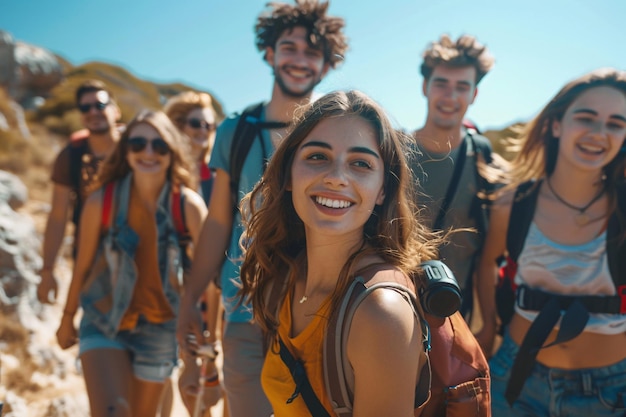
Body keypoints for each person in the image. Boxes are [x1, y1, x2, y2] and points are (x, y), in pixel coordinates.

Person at [176, 2, 348, 416]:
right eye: (289, 48)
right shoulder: (236, 132)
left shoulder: (340, 133)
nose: (299, 60)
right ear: (269, 53)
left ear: (326, 65)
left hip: (321, 316)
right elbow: (219, 222)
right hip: (244, 314)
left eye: (312, 53)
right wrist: (189, 300)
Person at [239, 89, 440, 416]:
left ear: (382, 190)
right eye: (317, 156)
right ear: (289, 173)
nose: (336, 178)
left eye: (360, 164)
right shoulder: (289, 273)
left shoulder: (380, 313)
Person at [475, 68, 626, 416]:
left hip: (611, 390)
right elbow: (487, 263)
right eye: (586, 117)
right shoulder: (512, 204)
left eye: (616, 123)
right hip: (516, 382)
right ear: (556, 125)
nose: (599, 133)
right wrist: (485, 330)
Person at [56, 110, 207, 417]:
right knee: (114, 411)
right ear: (125, 150)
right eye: (138, 143)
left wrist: (199, 355)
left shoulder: (188, 205)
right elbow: (82, 265)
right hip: (104, 320)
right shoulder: (102, 201)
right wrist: (67, 316)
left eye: (159, 145)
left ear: (171, 152)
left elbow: (204, 285)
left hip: (161, 329)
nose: (148, 153)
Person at [408, 34, 498, 318]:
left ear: (474, 94)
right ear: (425, 87)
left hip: (457, 319)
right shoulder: (389, 155)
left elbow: (489, 258)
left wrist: (489, 325)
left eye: (462, 87)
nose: (451, 96)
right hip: (386, 314)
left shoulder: (487, 162)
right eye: (441, 84)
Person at [164, 91, 226, 416]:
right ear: (177, 125)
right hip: (171, 287)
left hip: (216, 289)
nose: (203, 130)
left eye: (209, 124)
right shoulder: (162, 176)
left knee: (216, 376)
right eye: (195, 123)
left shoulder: (218, 177)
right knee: (177, 374)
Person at [37, 79, 121, 304]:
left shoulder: (139, 148)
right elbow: (57, 216)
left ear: (116, 110)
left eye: (100, 105)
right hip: (89, 255)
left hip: (141, 250)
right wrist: (47, 271)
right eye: (85, 107)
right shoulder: (71, 156)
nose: (93, 111)